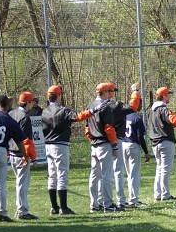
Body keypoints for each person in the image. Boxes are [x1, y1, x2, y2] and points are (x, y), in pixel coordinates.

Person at [42, 84, 105, 215]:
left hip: (48, 145)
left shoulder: (44, 111)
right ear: (58, 95)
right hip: (60, 145)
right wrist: (93, 111)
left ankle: (54, 207)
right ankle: (64, 208)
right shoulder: (62, 110)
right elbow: (78, 117)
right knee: (62, 176)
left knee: (52, 176)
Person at [147, 87, 176, 201]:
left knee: (159, 169)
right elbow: (175, 121)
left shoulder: (151, 110)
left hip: (155, 142)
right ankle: (165, 194)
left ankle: (157, 194)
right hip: (165, 141)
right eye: (169, 94)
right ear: (164, 96)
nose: (170, 96)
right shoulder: (163, 109)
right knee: (165, 169)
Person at [106, 82, 141, 208]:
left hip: (100, 142)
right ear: (108, 92)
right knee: (117, 171)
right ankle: (120, 200)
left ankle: (99, 202)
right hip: (116, 139)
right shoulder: (115, 105)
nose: (113, 93)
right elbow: (133, 106)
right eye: (112, 91)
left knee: (101, 173)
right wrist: (135, 92)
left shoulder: (95, 105)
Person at [87, 83, 120, 212]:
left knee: (94, 176)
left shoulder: (90, 106)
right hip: (104, 144)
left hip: (94, 144)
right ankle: (108, 204)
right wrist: (115, 145)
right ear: (105, 92)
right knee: (107, 175)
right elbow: (109, 128)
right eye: (109, 91)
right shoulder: (105, 107)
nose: (110, 94)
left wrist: (92, 140)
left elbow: (86, 128)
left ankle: (94, 205)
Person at [9, 91, 39, 220]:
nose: (33, 104)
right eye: (31, 102)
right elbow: (26, 141)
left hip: (12, 152)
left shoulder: (11, 113)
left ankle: (19, 209)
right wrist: (32, 157)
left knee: (19, 182)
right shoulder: (25, 117)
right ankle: (22, 211)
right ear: (27, 102)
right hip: (21, 154)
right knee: (22, 184)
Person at [123, 110, 150, 207]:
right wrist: (146, 152)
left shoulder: (124, 116)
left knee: (129, 173)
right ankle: (133, 199)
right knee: (134, 174)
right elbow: (140, 137)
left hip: (123, 144)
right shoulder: (137, 118)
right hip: (133, 146)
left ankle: (126, 199)